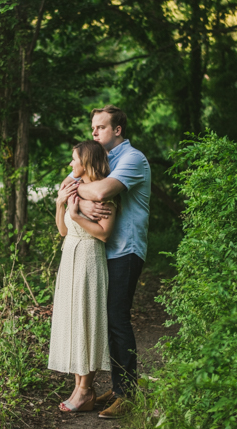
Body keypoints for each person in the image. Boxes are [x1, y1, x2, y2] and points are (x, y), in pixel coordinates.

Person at [62, 105, 151, 419]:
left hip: (125, 249)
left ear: (118, 130)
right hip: (101, 252)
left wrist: (78, 193)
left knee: (116, 317)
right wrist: (76, 194)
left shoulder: (132, 159)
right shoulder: (97, 158)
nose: (94, 133)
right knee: (104, 319)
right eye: (93, 128)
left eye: (101, 127)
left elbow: (100, 192)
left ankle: (127, 395)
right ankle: (117, 386)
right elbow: (63, 189)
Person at [48, 140, 118, 413]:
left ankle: (86, 389)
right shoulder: (72, 188)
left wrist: (76, 215)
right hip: (70, 258)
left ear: (86, 162)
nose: (70, 164)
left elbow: (103, 233)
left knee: (87, 320)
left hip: (90, 258)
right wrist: (60, 204)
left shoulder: (105, 195)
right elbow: (62, 231)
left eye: (74, 159)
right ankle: (80, 390)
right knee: (75, 321)